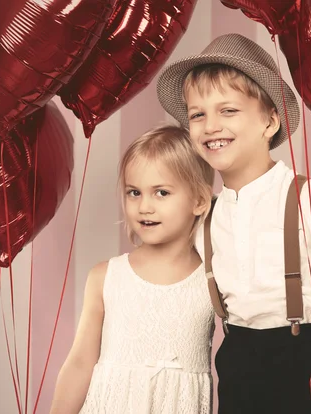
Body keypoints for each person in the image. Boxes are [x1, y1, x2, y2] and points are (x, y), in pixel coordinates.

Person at [157, 33, 311, 413]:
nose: (210, 125)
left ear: (269, 123)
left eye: (228, 110)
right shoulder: (202, 218)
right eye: (198, 114)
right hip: (238, 365)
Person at [49, 125, 216, 414]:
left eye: (161, 192)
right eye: (134, 192)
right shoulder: (106, 277)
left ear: (199, 201)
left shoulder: (213, 281)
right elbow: (79, 363)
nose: (144, 206)